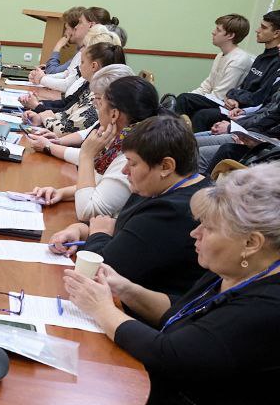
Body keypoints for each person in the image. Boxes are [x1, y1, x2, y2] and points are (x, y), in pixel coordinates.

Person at [64, 162, 280, 405]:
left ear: (252, 242)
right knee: (90, 375)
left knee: (87, 399)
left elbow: (169, 353)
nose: (195, 233)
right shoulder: (240, 268)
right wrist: (125, 288)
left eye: (209, 228)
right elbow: (178, 314)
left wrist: (103, 309)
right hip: (200, 396)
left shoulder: (267, 306)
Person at [49, 115, 211, 300]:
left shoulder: (174, 212)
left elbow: (104, 271)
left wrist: (97, 234)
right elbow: (119, 230)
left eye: (132, 163)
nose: (124, 170)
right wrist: (80, 230)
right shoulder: (157, 187)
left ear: (166, 166)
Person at [31, 76, 162, 220]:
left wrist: (87, 155)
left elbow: (87, 212)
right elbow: (101, 185)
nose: (97, 109)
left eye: (100, 104)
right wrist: (62, 193)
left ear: (114, 114)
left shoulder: (131, 154)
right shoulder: (124, 139)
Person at [188, 10, 280, 132]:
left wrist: (234, 97)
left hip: (247, 112)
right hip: (237, 106)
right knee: (189, 102)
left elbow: (260, 97)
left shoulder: (275, 63)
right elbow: (243, 87)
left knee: (201, 113)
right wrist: (234, 98)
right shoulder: (260, 58)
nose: (257, 30)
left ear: (276, 33)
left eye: (263, 28)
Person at [24, 63, 135, 157]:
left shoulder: (125, 144)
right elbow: (85, 133)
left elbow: (87, 156)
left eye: (98, 98)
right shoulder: (111, 119)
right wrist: (57, 141)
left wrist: (49, 146)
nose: (94, 103)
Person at [24, 34, 124, 132]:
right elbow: (67, 110)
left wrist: (41, 111)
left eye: (82, 62)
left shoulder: (99, 95)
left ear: (94, 66)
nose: (79, 66)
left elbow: (65, 128)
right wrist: (40, 113)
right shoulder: (88, 84)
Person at [171, 14, 253, 116]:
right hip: (213, 98)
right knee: (182, 99)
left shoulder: (239, 59)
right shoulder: (220, 55)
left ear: (230, 35)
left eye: (218, 30)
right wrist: (190, 95)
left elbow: (221, 95)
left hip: (224, 104)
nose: (213, 32)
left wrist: (188, 98)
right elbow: (207, 85)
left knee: (185, 99)